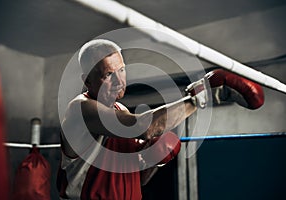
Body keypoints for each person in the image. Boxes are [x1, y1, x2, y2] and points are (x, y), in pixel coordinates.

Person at [57, 39, 264, 200]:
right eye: (108, 74)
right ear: (87, 80)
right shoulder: (81, 109)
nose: (120, 81)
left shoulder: (120, 109)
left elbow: (139, 179)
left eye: (121, 69)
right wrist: (203, 96)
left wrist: (153, 158)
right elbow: (142, 126)